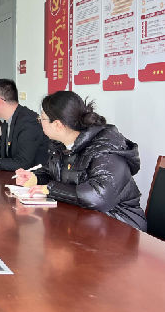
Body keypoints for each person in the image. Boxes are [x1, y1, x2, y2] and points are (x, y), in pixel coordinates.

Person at [15, 90, 147, 231]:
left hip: (120, 225)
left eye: (42, 118)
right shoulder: (61, 145)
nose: (39, 122)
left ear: (58, 125)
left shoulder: (105, 149)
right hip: (86, 219)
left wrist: (49, 189)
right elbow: (52, 172)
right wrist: (35, 179)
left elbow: (97, 195)